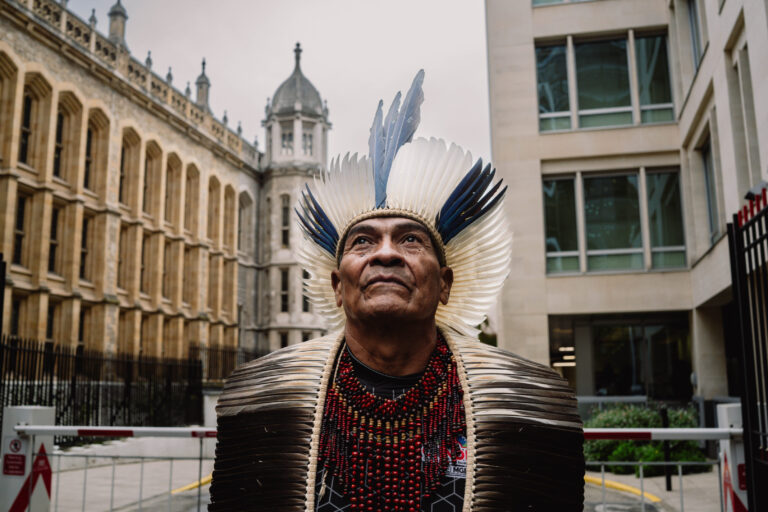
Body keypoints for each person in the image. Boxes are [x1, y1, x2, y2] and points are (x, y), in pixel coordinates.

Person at [209, 71, 584, 511]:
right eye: (363, 241)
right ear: (336, 285)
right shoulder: (262, 404)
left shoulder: (525, 407)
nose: (385, 254)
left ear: (444, 283)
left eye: (411, 239)